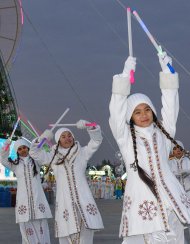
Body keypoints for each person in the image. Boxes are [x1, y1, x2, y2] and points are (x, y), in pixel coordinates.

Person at [109, 51, 190, 244]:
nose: (143, 115)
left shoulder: (164, 132)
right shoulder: (125, 137)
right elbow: (115, 112)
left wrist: (168, 73)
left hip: (171, 202)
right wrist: (124, 77)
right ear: (130, 117)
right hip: (142, 206)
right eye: (137, 112)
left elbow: (171, 107)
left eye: (147, 110)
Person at [29, 120, 104, 244]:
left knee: (85, 236)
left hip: (83, 201)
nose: (67, 138)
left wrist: (90, 127)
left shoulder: (82, 153)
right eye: (63, 137)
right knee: (69, 234)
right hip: (65, 202)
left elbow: (96, 141)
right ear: (58, 140)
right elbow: (34, 152)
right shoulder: (52, 157)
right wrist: (42, 139)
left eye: (69, 135)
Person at [0, 138, 52, 244]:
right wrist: (6, 146)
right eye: (19, 149)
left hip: (38, 199)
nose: (23, 150)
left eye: (24, 147)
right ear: (17, 151)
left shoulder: (36, 161)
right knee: (26, 228)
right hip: (23, 201)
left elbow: (39, 151)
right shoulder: (14, 164)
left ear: (28, 148)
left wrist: (41, 140)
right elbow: (3, 159)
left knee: (41, 226)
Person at [169, 140, 190, 244]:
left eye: (180, 148)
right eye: (175, 148)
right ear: (172, 151)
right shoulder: (170, 163)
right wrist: (175, 175)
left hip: (188, 193)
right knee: (178, 220)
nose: (178, 150)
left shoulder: (188, 161)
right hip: (177, 195)